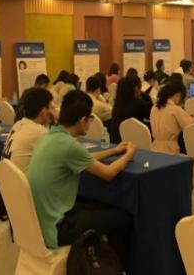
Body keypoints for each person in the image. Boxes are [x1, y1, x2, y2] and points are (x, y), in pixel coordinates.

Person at [27, 90, 134, 262]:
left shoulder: (48, 136)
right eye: (89, 119)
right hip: (57, 227)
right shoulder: (69, 145)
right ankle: (113, 266)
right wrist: (128, 154)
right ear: (83, 120)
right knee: (122, 218)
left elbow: (84, 158)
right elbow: (108, 173)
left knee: (98, 206)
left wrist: (114, 151)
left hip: (41, 219)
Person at [2, 88, 57, 172]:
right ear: (44, 111)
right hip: (22, 180)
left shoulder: (18, 124)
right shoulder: (39, 132)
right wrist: (60, 118)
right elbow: (65, 153)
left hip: (6, 178)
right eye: (51, 107)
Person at [150, 80, 194, 155]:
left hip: (154, 149)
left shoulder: (154, 108)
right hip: (171, 151)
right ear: (177, 95)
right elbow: (191, 127)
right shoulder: (175, 109)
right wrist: (193, 119)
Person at [110, 75, 150, 143]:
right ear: (136, 88)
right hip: (132, 142)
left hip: (115, 141)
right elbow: (150, 116)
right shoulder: (138, 103)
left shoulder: (117, 103)